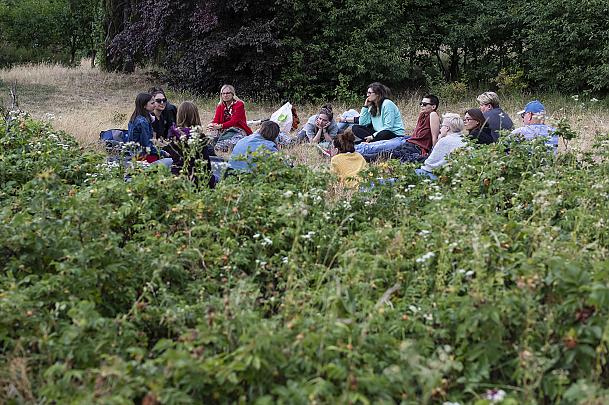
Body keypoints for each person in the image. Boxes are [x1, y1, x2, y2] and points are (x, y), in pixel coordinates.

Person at [166, 101, 216, 187]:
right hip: (197, 178)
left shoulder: (173, 134)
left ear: (179, 115)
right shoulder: (199, 136)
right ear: (195, 115)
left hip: (177, 176)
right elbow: (206, 164)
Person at [388, 94, 441, 163]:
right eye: (421, 103)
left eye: (424, 104)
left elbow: (435, 137)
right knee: (387, 152)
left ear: (433, 106)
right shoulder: (422, 115)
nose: (422, 105)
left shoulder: (433, 115)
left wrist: (434, 155)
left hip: (417, 147)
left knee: (388, 154)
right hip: (410, 143)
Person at [126, 93, 173, 168]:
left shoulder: (135, 118)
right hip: (142, 158)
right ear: (144, 106)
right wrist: (162, 153)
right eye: (152, 103)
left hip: (135, 155)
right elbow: (147, 146)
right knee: (172, 162)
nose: (155, 105)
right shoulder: (143, 122)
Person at [415, 113, 466, 179]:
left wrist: (439, 139)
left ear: (447, 128)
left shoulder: (445, 141)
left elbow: (429, 165)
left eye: (442, 126)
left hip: (443, 177)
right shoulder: (464, 139)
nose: (440, 129)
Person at [208, 84, 253, 153]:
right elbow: (216, 119)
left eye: (228, 93)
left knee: (227, 146)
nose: (225, 95)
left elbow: (234, 121)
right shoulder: (220, 106)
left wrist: (220, 126)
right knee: (207, 141)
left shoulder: (239, 104)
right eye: (223, 93)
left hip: (237, 130)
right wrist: (212, 125)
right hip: (223, 131)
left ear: (232, 94)